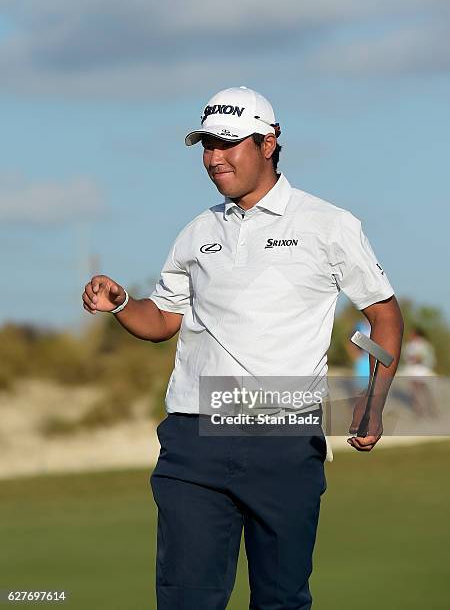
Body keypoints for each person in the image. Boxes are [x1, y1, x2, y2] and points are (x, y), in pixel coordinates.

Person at [82, 86, 404, 610]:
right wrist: (122, 303)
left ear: (268, 142)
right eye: (207, 144)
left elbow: (382, 316)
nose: (214, 158)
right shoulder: (195, 233)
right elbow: (164, 320)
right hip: (194, 438)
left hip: (284, 437)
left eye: (228, 143)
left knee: (280, 600)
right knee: (185, 601)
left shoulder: (328, 225)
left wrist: (374, 399)